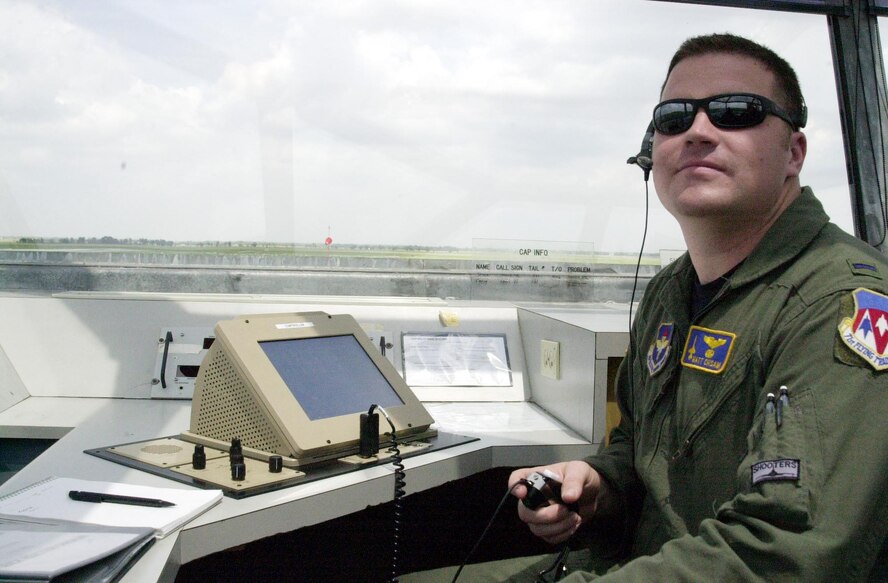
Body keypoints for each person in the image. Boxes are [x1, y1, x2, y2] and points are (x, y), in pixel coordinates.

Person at [402, 32, 888, 581]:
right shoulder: (668, 293)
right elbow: (638, 452)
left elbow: (785, 554)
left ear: (793, 153)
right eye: (674, 118)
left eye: (736, 112)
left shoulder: (839, 304)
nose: (698, 131)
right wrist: (597, 487)